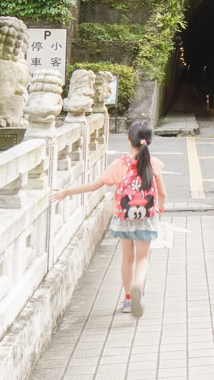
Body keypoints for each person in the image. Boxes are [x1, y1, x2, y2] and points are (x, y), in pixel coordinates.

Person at [50, 120, 166, 317]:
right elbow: (162, 194)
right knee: (143, 257)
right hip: (147, 217)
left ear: (128, 139)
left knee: (127, 258)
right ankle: (139, 287)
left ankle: (129, 298)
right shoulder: (153, 164)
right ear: (148, 142)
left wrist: (66, 191)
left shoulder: (119, 165)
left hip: (123, 218)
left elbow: (95, 185)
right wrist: (159, 212)